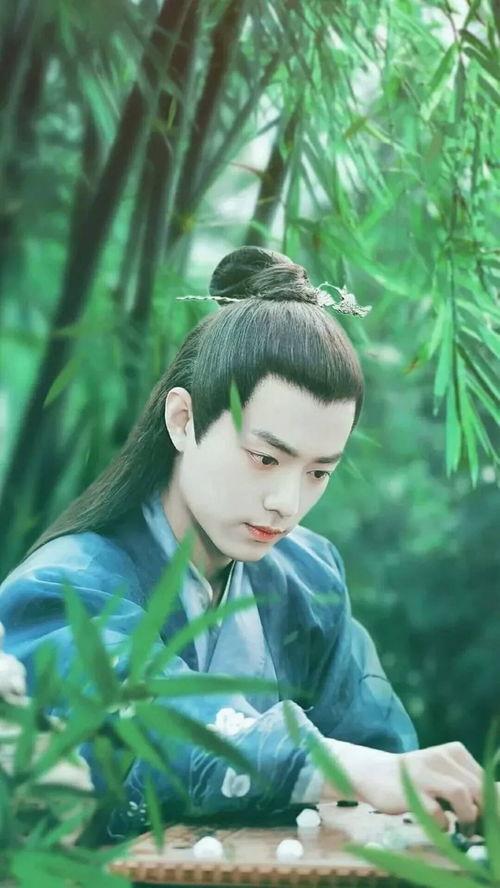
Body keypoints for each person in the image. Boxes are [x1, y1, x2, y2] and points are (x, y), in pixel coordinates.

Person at [0, 247, 484, 840]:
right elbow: (150, 719)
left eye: (319, 472)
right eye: (265, 458)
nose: (286, 501)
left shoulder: (308, 576)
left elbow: (382, 755)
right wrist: (337, 768)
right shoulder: (62, 588)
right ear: (183, 421)